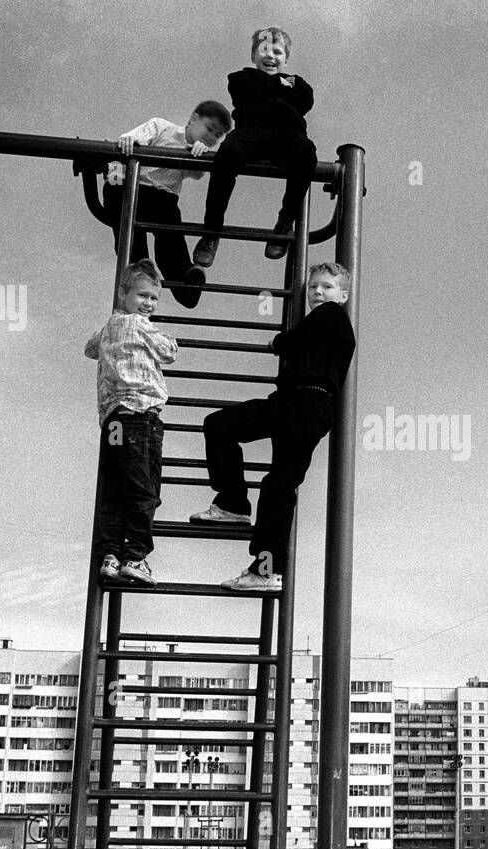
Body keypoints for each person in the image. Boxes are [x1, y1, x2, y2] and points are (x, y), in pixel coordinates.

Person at [191, 263, 355, 590]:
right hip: (288, 402)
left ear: (343, 295)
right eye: (313, 288)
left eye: (327, 287)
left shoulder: (332, 316)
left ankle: (266, 570)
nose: (318, 293)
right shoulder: (321, 321)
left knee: (279, 487)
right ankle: (233, 503)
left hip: (310, 405)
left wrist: (279, 342)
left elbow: (296, 340)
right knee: (219, 425)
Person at [85, 259, 177, 587]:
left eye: (153, 299)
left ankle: (110, 554)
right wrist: (166, 340)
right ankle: (136, 556)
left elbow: (90, 349)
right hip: (141, 419)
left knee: (114, 491)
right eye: (142, 296)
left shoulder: (110, 325)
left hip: (113, 421)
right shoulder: (142, 326)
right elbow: (169, 353)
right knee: (144, 490)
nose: (148, 304)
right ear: (123, 294)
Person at [194, 27, 317, 267]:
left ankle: (284, 224)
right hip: (250, 133)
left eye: (278, 52)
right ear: (253, 56)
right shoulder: (241, 77)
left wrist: (273, 89)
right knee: (227, 154)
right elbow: (246, 90)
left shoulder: (298, 83)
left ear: (286, 59)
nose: (271, 56)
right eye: (264, 50)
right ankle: (211, 231)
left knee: (306, 154)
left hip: (287, 135)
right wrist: (281, 88)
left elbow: (306, 99)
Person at [98, 102, 233, 308]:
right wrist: (132, 140)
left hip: (161, 198)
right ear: (194, 119)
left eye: (217, 135)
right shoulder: (162, 127)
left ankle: (185, 283)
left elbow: (196, 174)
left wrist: (199, 154)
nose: (211, 136)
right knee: (130, 233)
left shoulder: (198, 150)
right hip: (130, 188)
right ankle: (139, 268)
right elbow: (134, 137)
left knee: (170, 235)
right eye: (209, 128)